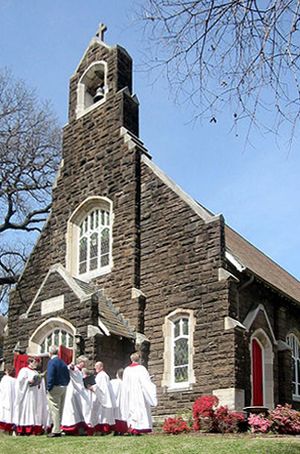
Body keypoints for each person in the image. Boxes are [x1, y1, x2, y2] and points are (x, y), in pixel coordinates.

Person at [120, 352, 157, 435]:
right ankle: (139, 428)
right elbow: (146, 383)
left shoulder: (127, 370)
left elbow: (125, 384)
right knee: (140, 410)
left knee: (132, 410)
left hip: (130, 394)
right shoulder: (141, 369)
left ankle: (132, 427)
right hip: (139, 394)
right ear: (139, 359)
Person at [14, 357, 48, 435]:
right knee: (28, 410)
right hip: (27, 395)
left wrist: (39, 380)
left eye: (37, 362)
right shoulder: (24, 370)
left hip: (35, 395)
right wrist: (28, 381)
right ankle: (25, 428)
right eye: (35, 362)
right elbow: (20, 382)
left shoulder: (36, 372)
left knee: (35, 410)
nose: (36, 364)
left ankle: (35, 429)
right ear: (30, 362)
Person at [61, 355, 90, 435]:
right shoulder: (74, 368)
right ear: (80, 362)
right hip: (74, 392)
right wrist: (71, 366)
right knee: (73, 411)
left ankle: (80, 429)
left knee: (81, 410)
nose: (84, 365)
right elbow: (68, 368)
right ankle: (69, 429)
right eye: (83, 363)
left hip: (80, 393)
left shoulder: (81, 371)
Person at [46, 345, 70, 437]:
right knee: (60, 409)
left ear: (50, 353)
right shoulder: (62, 362)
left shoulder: (52, 362)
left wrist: (49, 387)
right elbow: (67, 375)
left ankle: (56, 430)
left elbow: (50, 376)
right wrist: (65, 384)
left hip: (55, 386)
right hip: (63, 387)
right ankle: (58, 428)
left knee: (54, 409)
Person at [90, 361, 116, 434]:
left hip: (102, 398)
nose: (95, 368)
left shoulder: (102, 375)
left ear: (101, 367)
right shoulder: (101, 375)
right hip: (99, 397)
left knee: (102, 415)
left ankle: (102, 430)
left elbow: (102, 388)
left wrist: (93, 388)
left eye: (97, 367)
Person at [110, 368, 127, 435]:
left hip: (116, 401)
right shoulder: (126, 383)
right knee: (122, 415)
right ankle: (122, 431)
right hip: (123, 402)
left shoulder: (113, 382)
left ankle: (116, 431)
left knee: (116, 415)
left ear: (117, 374)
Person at [0, 366, 16, 433]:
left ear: (6, 371)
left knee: (4, 413)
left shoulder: (5, 379)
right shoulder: (15, 380)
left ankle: (3, 428)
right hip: (13, 399)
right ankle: (11, 429)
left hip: (5, 399)